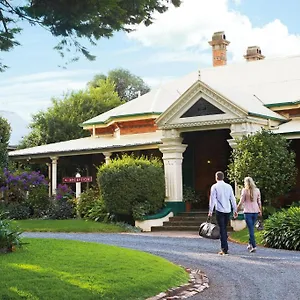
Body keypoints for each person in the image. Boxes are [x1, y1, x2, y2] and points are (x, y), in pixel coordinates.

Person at [208, 171, 238, 255]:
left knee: (222, 229)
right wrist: (235, 210)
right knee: (224, 228)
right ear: (223, 177)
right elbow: (232, 198)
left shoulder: (214, 187)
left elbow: (212, 200)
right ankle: (224, 246)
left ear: (216, 177)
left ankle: (224, 248)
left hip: (219, 210)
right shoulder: (228, 187)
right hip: (227, 210)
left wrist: (210, 211)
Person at [237, 176, 262, 253]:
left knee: (251, 229)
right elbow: (259, 202)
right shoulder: (257, 190)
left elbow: (241, 201)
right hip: (255, 211)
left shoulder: (244, 191)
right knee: (252, 228)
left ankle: (254, 246)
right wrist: (260, 211)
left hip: (247, 212)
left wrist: (237, 209)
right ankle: (250, 243)